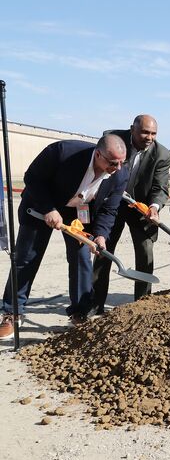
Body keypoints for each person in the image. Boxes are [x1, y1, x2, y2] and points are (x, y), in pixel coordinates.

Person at [1, 135, 128, 336]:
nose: (118, 168)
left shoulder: (119, 175)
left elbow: (109, 210)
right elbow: (32, 178)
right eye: (113, 163)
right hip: (41, 205)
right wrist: (49, 209)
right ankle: (12, 311)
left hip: (78, 212)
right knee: (27, 258)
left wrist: (101, 235)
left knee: (81, 259)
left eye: (123, 162)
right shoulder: (63, 152)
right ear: (98, 155)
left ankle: (79, 311)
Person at [91, 114, 170, 314]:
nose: (149, 137)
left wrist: (154, 207)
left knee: (146, 253)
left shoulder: (162, 154)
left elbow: (160, 187)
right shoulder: (113, 140)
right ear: (132, 129)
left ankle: (142, 304)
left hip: (140, 209)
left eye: (153, 133)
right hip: (112, 205)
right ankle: (94, 304)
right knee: (103, 251)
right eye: (145, 132)